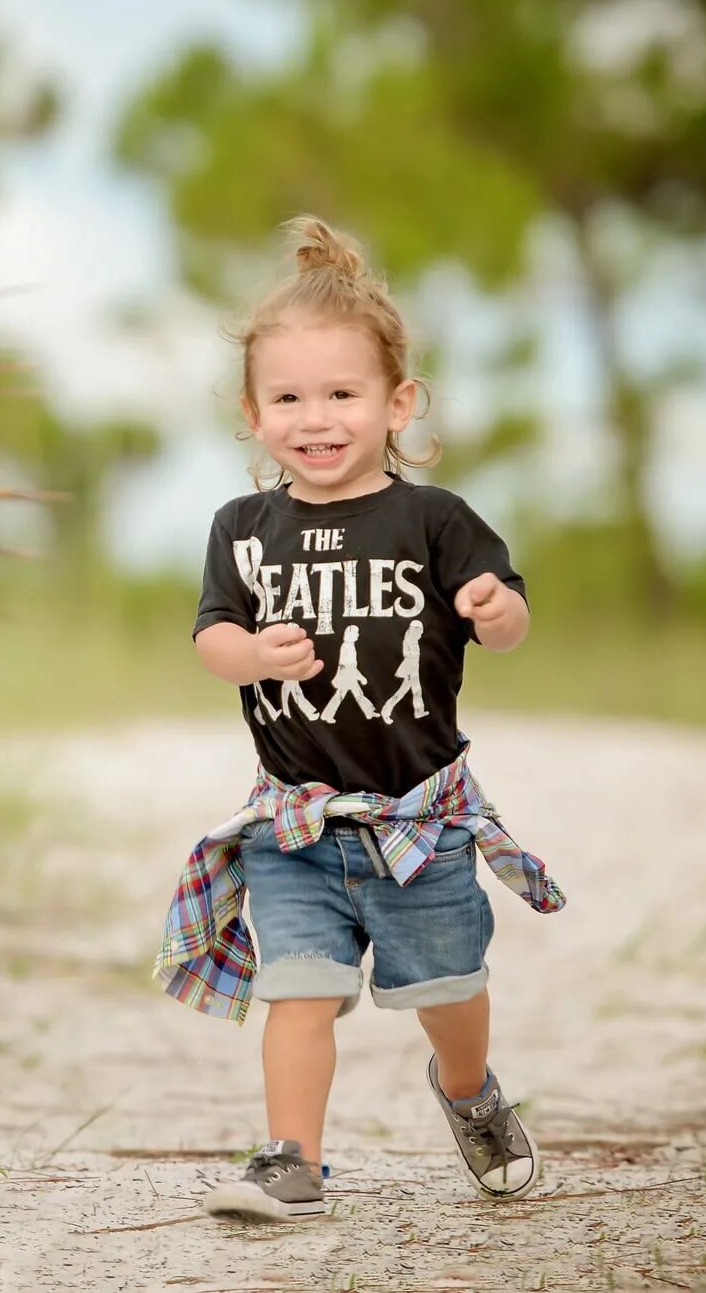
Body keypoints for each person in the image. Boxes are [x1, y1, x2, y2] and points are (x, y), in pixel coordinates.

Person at [154, 217, 566, 1222]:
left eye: (341, 394)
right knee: (296, 990)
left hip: (416, 823)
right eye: (287, 398)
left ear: (396, 402)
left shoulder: (432, 520)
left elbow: (506, 621)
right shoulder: (241, 531)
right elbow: (211, 640)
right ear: (252, 413)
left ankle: (468, 1092)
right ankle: (290, 1158)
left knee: (446, 992)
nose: (316, 417)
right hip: (295, 824)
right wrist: (251, 656)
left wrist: (491, 610)